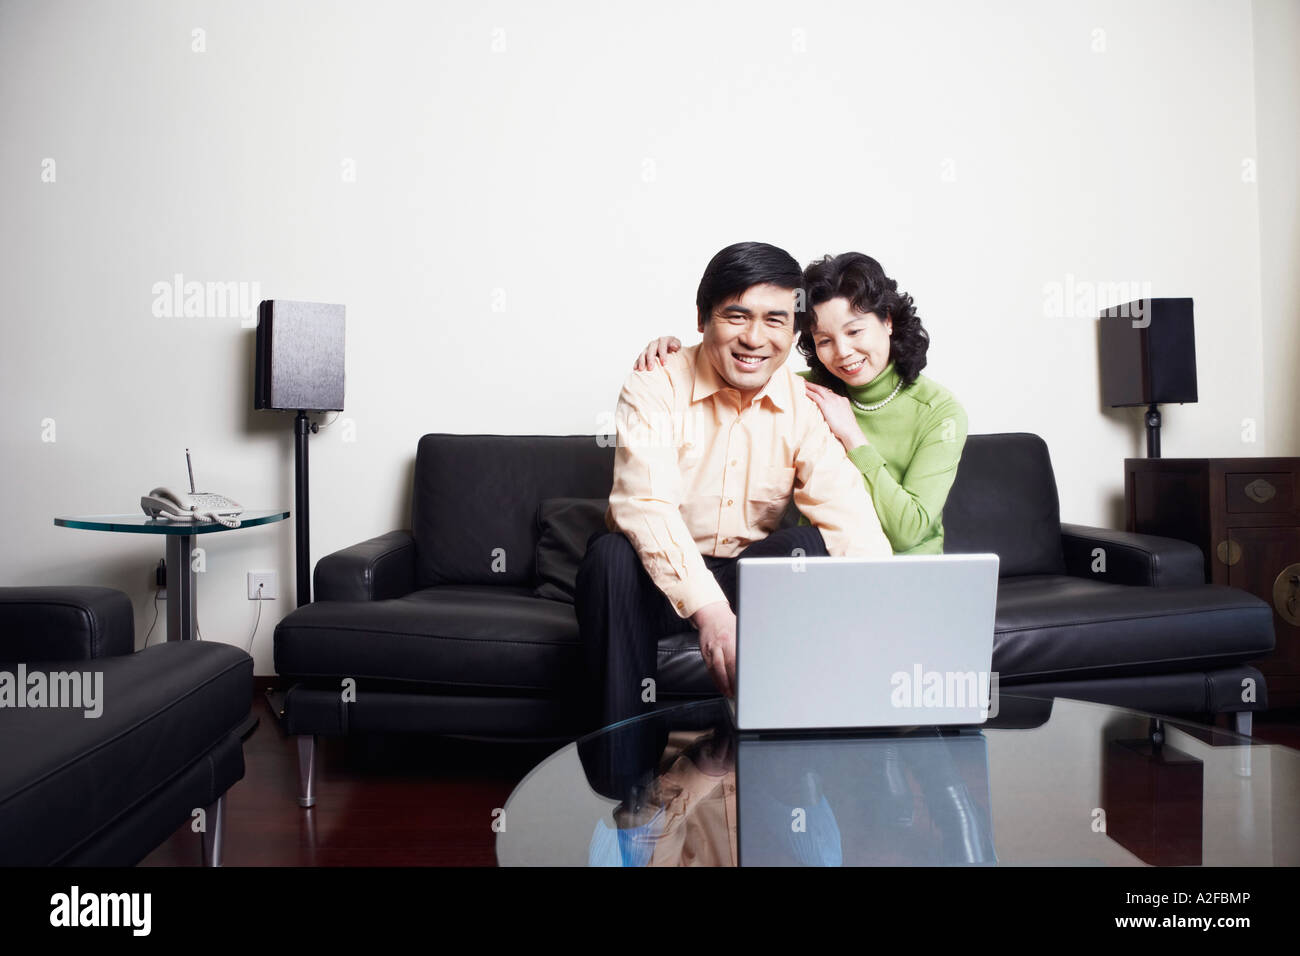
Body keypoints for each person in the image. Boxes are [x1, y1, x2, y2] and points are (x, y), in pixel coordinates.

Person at [577, 242, 892, 727]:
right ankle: (628, 790)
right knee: (610, 555)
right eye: (736, 316)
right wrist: (712, 614)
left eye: (775, 320)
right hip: (654, 582)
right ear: (703, 319)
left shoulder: (804, 405)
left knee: (812, 544)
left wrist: (894, 621)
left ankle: (784, 761)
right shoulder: (654, 382)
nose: (754, 338)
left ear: (793, 330)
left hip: (746, 578)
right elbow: (644, 506)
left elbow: (849, 518)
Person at [634, 252, 967, 555]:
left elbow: (908, 533)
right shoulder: (803, 389)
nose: (842, 352)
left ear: (888, 321)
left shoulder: (939, 411)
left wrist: (853, 438)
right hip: (821, 562)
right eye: (824, 340)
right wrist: (679, 356)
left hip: (907, 568)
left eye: (854, 332)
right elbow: (740, 369)